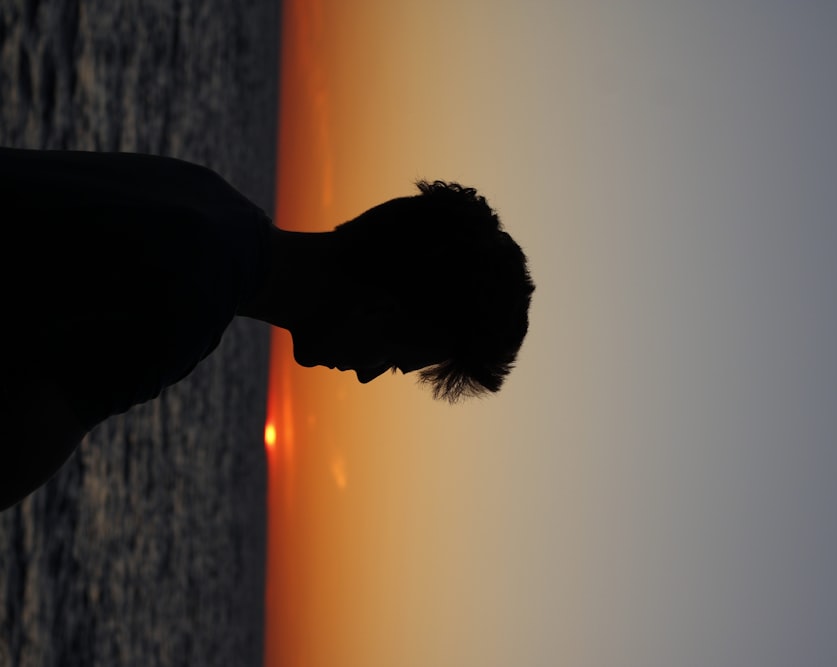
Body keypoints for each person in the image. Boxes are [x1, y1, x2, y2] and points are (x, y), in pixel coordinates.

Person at [0, 147, 534, 511]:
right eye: (393, 358)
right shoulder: (190, 301)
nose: (368, 375)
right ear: (382, 309)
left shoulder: (211, 200)